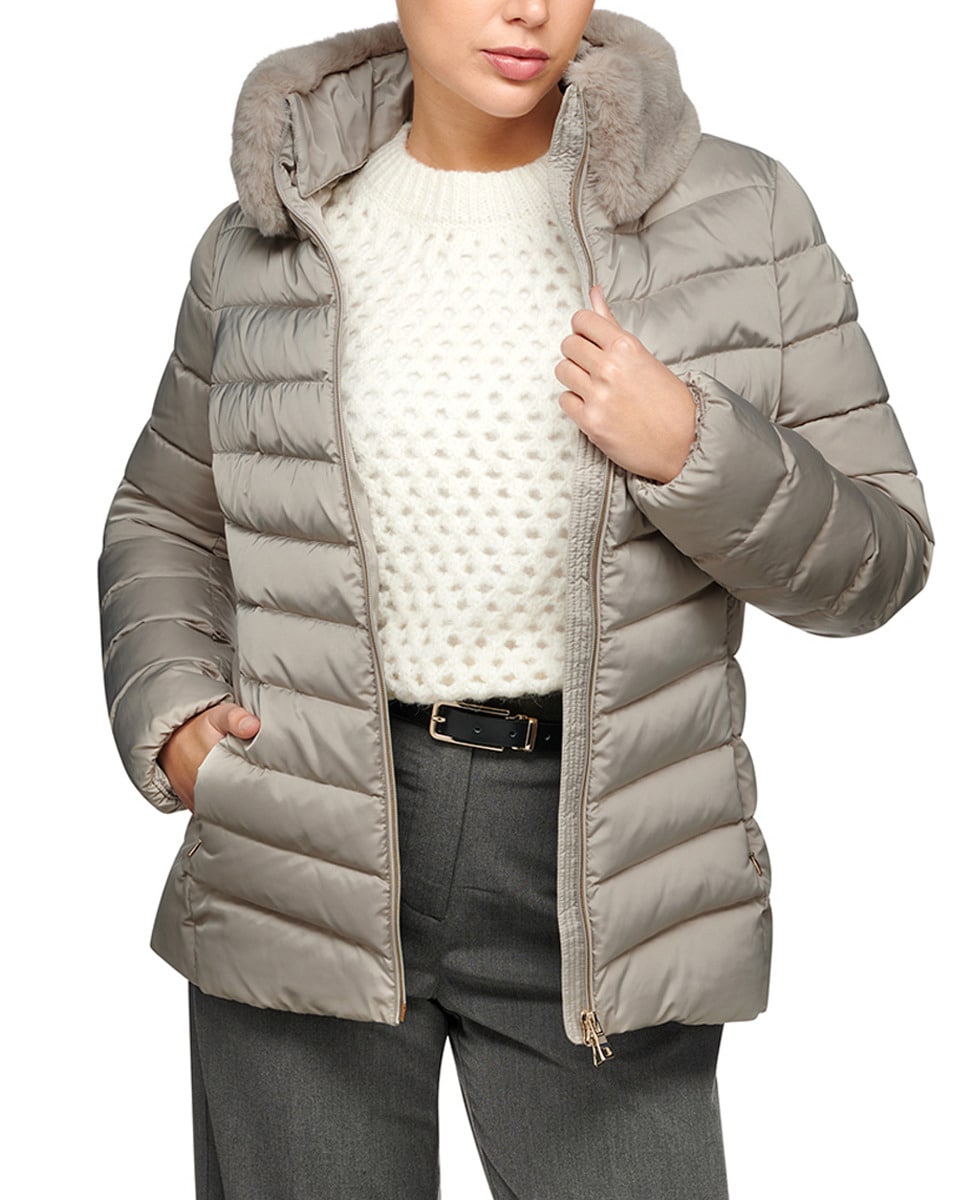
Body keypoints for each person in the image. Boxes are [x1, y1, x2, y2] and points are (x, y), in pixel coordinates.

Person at [97, 2, 932, 1197]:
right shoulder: (271, 230)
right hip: (301, 836)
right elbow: (166, 514)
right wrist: (175, 715)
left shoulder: (739, 214)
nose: (527, 8)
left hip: (601, 853)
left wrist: (694, 448)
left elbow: (881, 560)